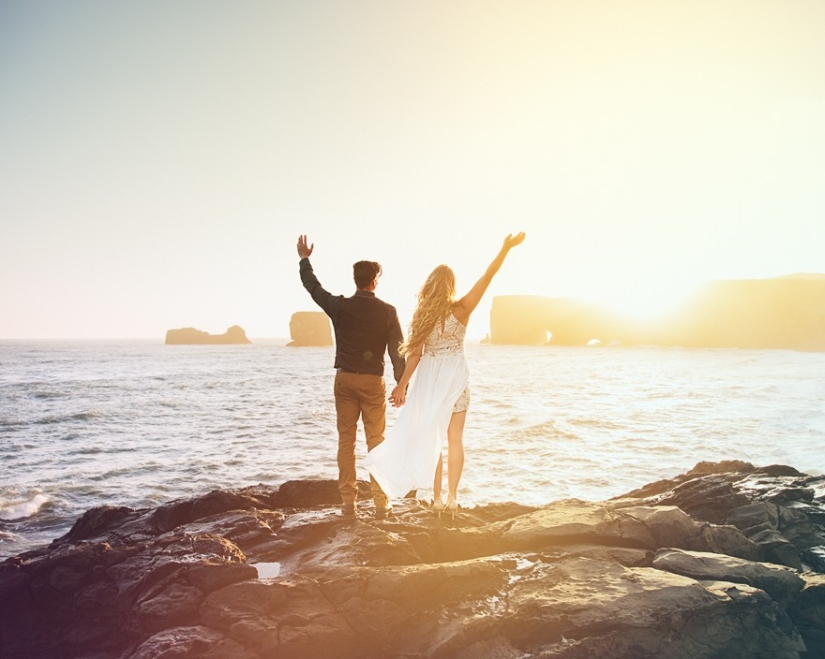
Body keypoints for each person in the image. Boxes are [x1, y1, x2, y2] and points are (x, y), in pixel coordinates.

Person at [364, 232, 525, 518]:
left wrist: (402, 386)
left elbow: (415, 355)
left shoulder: (423, 315)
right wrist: (505, 249)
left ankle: (436, 499)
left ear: (430, 285)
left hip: (430, 381)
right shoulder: (463, 308)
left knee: (432, 438)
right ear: (451, 286)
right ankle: (452, 498)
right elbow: (487, 277)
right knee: (455, 439)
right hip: (456, 379)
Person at [296, 235, 405, 519]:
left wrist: (305, 260)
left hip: (345, 381)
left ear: (355, 280)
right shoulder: (388, 311)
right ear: (374, 281)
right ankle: (381, 503)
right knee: (376, 441)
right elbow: (397, 351)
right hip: (372, 383)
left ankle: (348, 503)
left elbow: (313, 287)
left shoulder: (340, 306)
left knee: (346, 441)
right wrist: (401, 384)